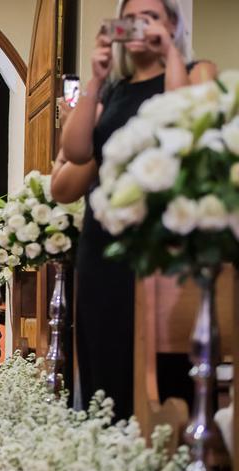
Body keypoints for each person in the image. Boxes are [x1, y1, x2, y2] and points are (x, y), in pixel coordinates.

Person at [53, 0, 216, 420]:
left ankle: (168, 455)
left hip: (165, 242)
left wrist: (170, 55)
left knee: (165, 360)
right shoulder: (113, 89)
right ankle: (110, 455)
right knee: (106, 355)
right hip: (104, 243)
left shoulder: (197, 72)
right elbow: (74, 150)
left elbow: (183, 127)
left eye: (152, 18)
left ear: (173, 25)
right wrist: (95, 77)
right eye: (132, 19)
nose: (141, 26)